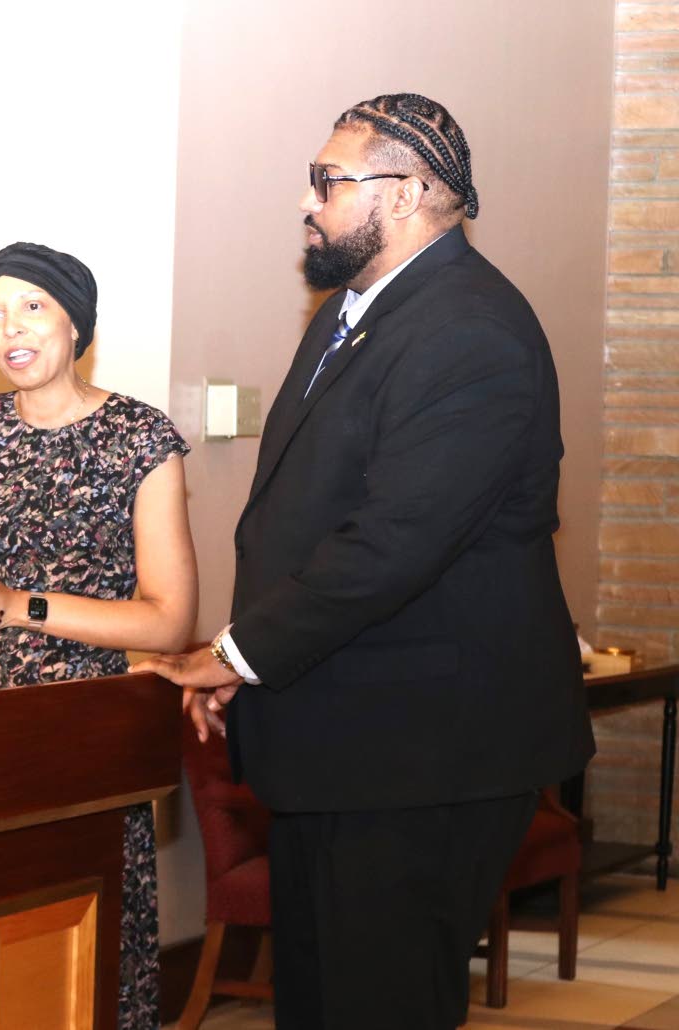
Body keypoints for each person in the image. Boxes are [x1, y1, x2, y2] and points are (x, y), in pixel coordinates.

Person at [134, 94, 595, 1029]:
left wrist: (236, 655)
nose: (310, 203)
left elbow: (395, 542)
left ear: (415, 189)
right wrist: (254, 657)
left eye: (331, 181)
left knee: (378, 1004)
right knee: (319, 1001)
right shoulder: (354, 311)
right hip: (343, 740)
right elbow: (306, 520)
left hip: (422, 753)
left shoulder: (472, 331)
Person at [0, 241, 198, 1029]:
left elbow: (170, 618)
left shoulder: (141, 437)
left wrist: (16, 603)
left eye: (31, 306)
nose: (10, 328)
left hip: (87, 731)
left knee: (85, 938)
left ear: (77, 326)